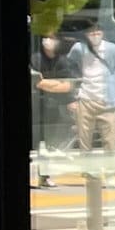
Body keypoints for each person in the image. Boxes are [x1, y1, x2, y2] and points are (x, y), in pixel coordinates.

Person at [65, 22, 115, 164]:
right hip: (85, 99)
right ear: (86, 34)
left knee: (110, 141)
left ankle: (110, 172)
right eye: (91, 32)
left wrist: (113, 80)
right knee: (84, 140)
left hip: (107, 101)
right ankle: (87, 171)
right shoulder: (79, 48)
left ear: (102, 33)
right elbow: (69, 64)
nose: (95, 35)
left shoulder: (111, 48)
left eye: (98, 32)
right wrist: (77, 79)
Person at [32, 30, 74, 188]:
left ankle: (44, 177)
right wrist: (55, 85)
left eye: (51, 38)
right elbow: (36, 82)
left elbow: (67, 86)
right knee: (34, 144)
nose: (48, 41)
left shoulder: (63, 61)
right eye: (45, 38)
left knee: (49, 145)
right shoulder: (35, 59)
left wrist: (46, 84)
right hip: (36, 107)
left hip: (54, 109)